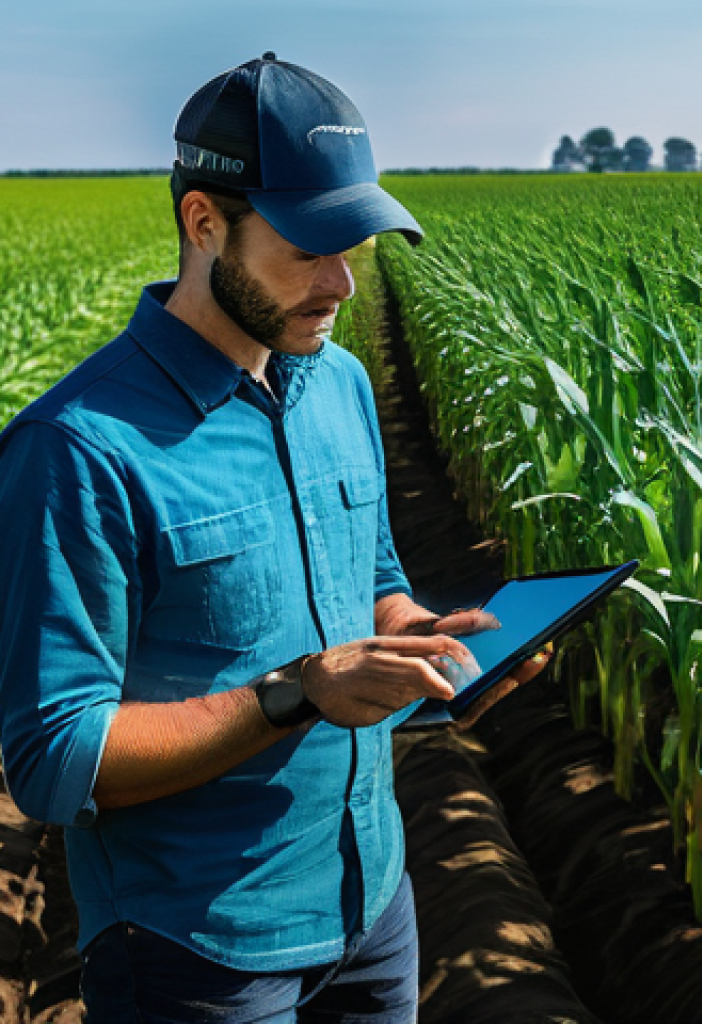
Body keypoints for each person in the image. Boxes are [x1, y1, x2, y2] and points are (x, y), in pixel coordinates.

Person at [0, 54, 544, 1023]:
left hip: (372, 906)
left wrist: (436, 636)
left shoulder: (335, 386)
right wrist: (293, 694)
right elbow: (54, 757)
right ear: (203, 223)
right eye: (308, 246)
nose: (340, 282)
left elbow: (372, 577)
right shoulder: (78, 447)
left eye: (355, 245)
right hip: (197, 954)